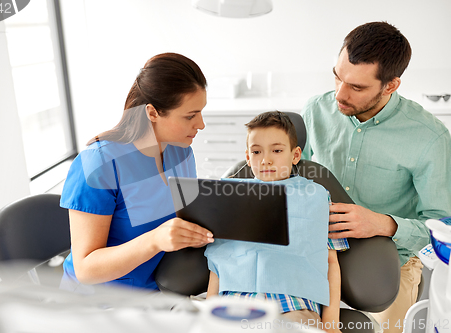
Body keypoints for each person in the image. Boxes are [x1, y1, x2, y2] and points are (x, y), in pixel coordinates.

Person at [301, 22, 451, 333]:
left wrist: (382, 223)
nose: (340, 94)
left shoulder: (429, 137)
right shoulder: (316, 109)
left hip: (389, 260)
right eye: (337, 77)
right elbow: (293, 178)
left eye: (356, 87)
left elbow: (443, 225)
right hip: (316, 249)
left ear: (391, 85)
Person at [59, 53, 214, 293]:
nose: (201, 124)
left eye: (201, 112)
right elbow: (86, 269)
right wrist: (154, 240)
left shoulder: (181, 153)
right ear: (152, 113)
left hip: (160, 291)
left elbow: (185, 219)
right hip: (99, 303)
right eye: (190, 116)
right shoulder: (98, 164)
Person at [205, 111, 348, 332]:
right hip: (237, 302)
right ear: (247, 156)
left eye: (277, 150)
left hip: (294, 302)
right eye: (256, 151)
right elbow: (219, 262)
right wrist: (208, 313)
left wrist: (331, 325)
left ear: (295, 155)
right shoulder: (231, 196)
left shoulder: (317, 196)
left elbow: (331, 262)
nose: (266, 159)